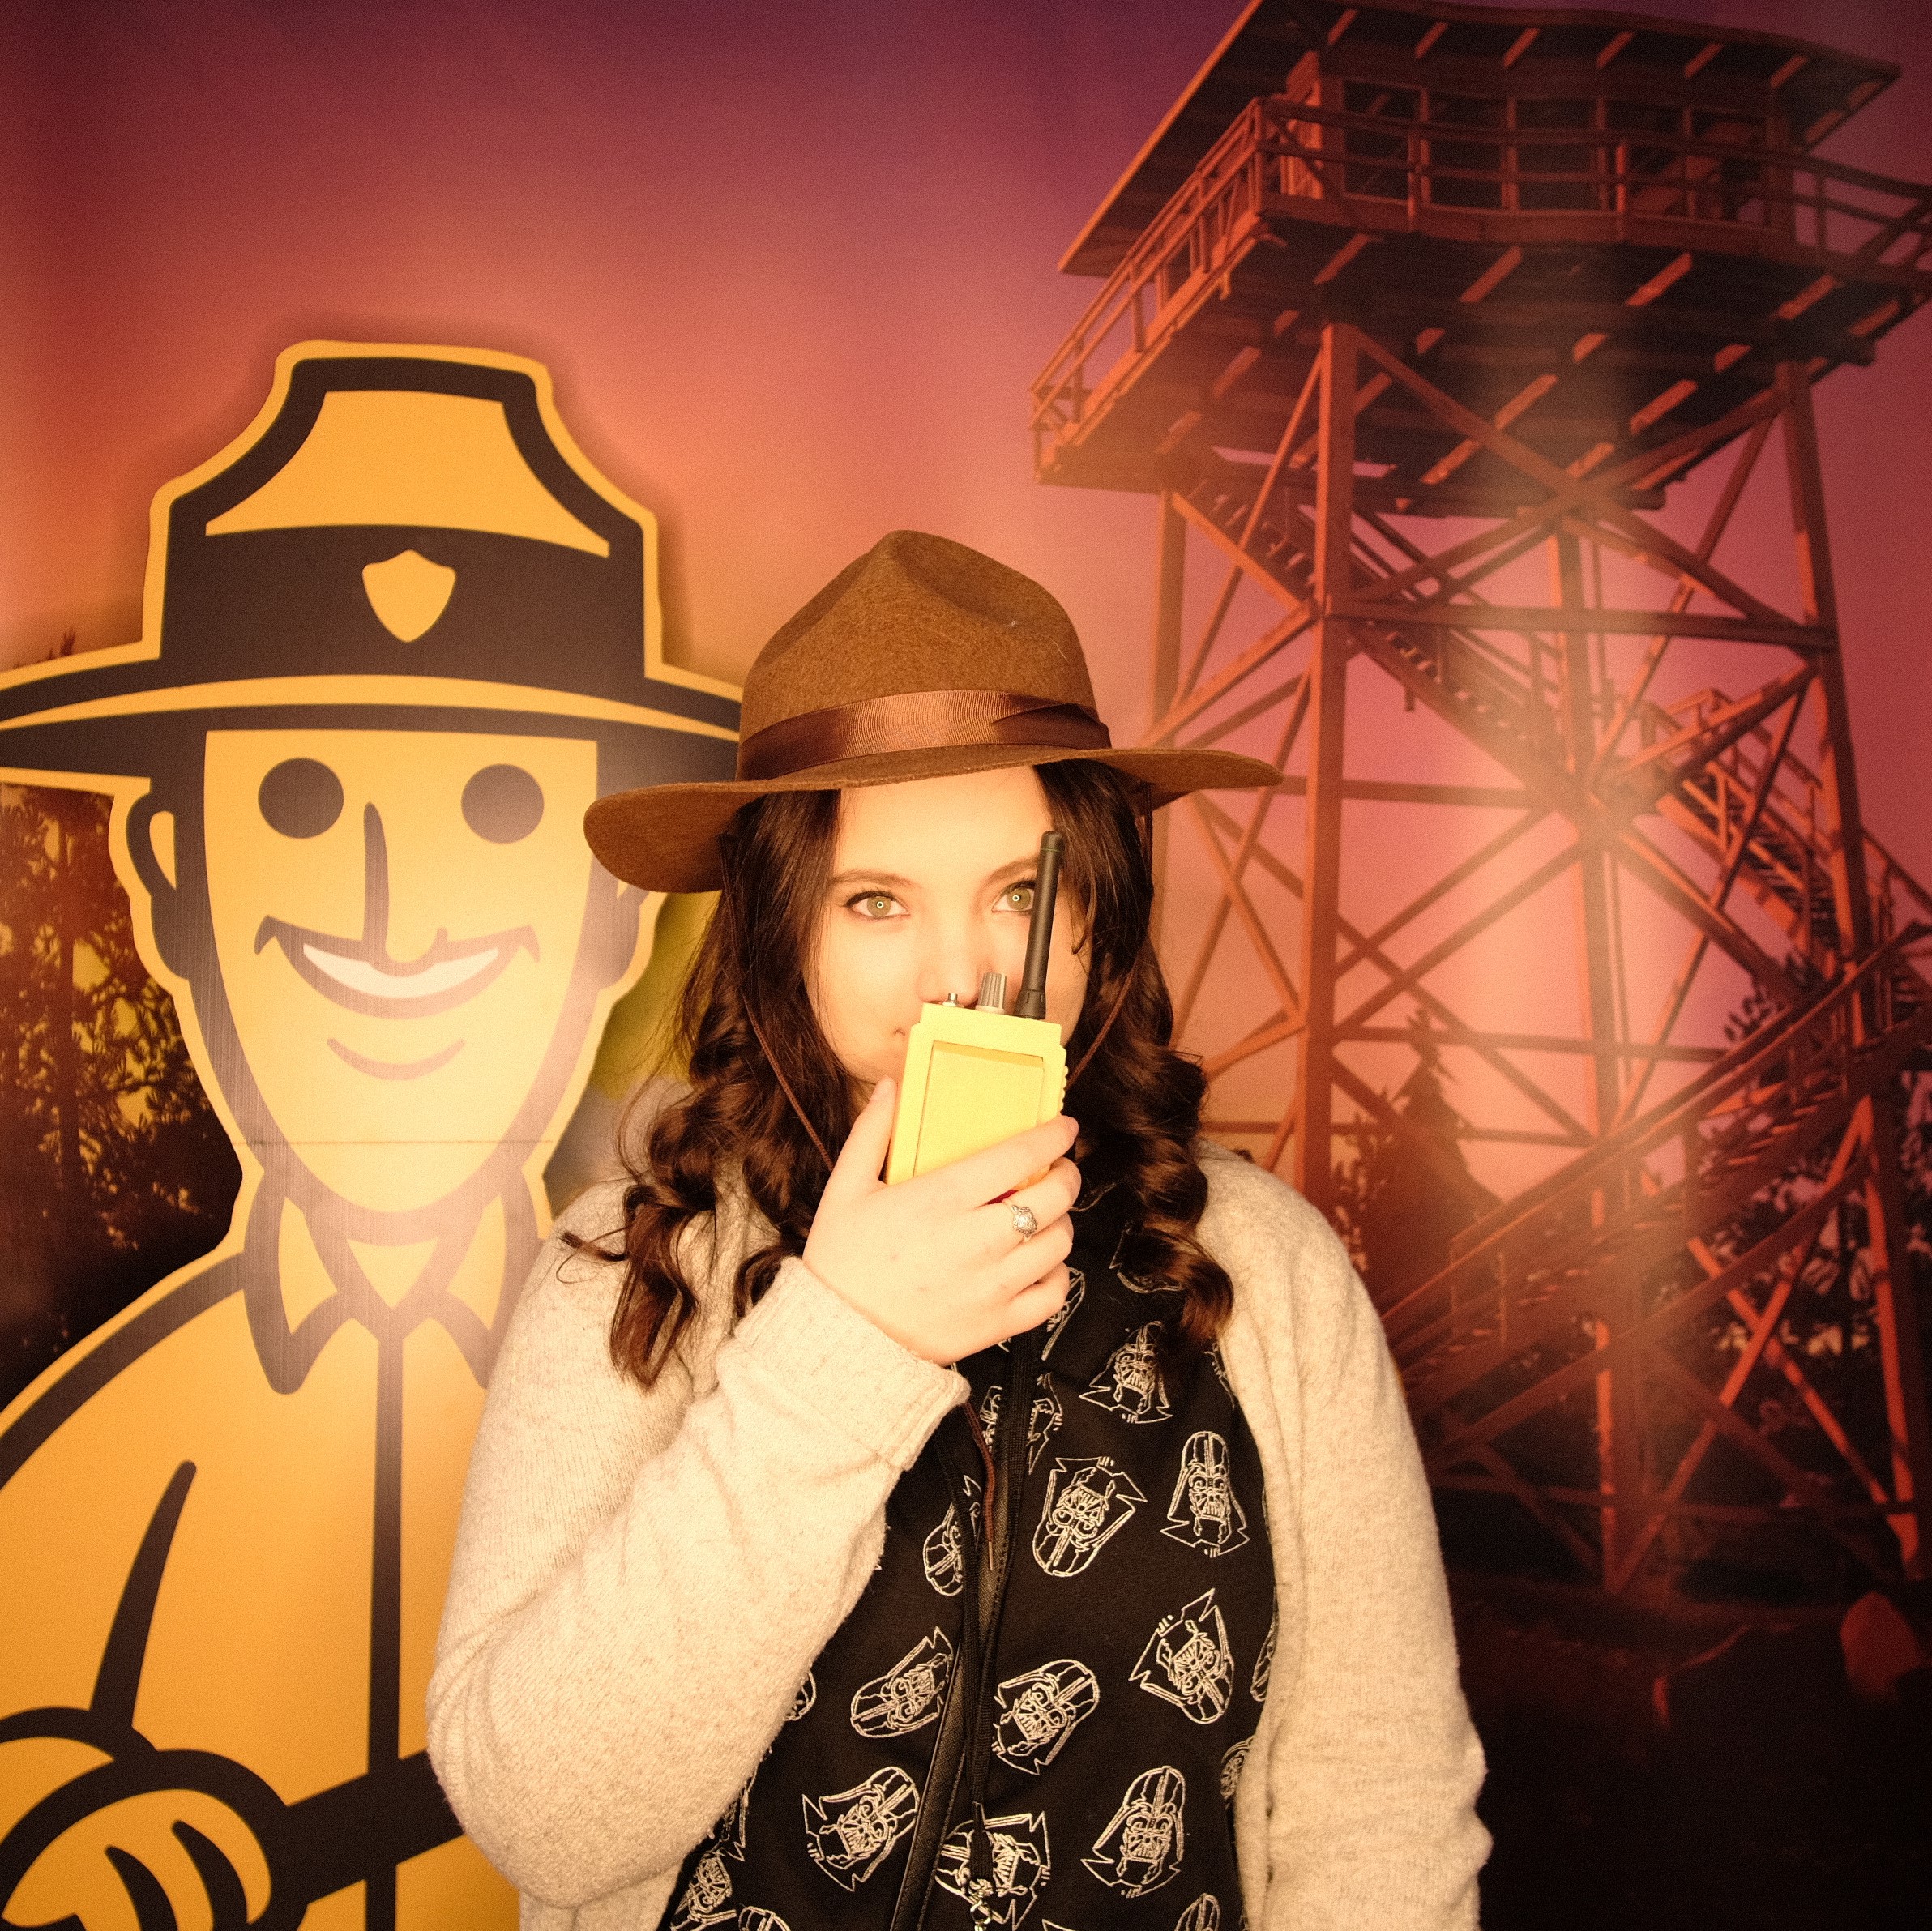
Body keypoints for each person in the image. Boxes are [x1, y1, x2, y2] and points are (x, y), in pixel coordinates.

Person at [427, 531, 1490, 1930]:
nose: (963, 977)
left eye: (1019, 896)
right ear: (784, 934)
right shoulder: (637, 1269)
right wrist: (844, 1348)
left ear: (1100, 917)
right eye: (877, 903)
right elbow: (543, 1823)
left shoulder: (1267, 1273)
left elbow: (1382, 1804)